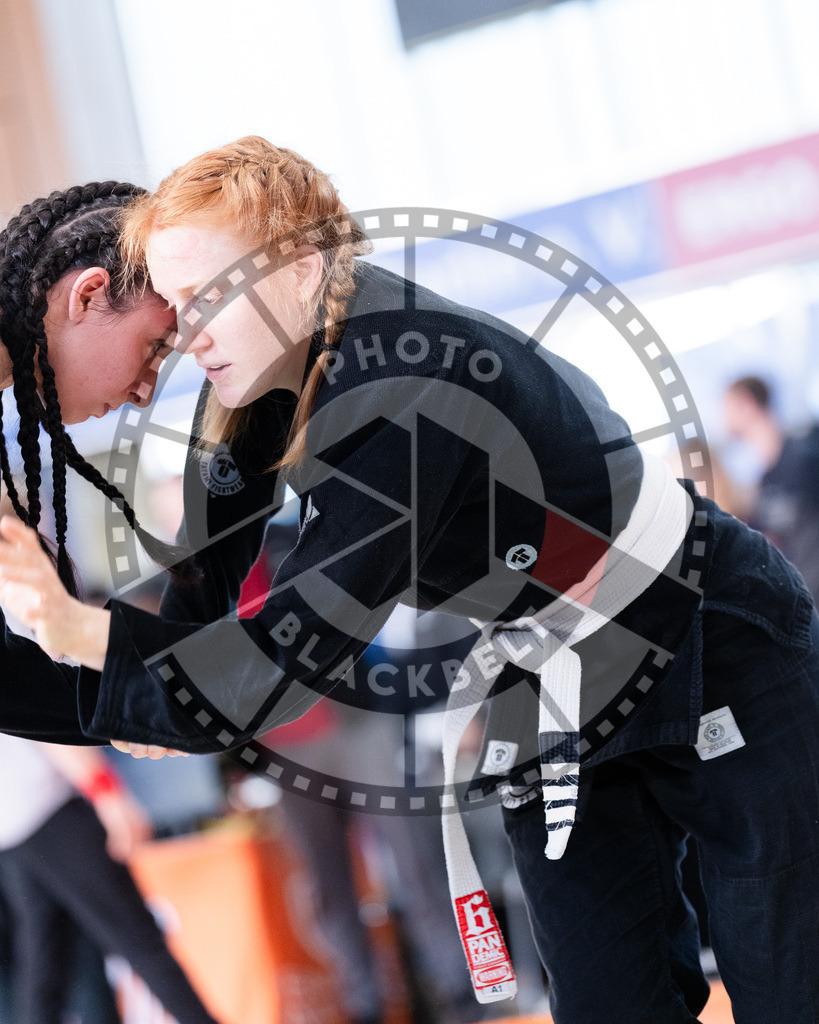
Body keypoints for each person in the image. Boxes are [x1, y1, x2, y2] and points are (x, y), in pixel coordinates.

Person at [0, 137, 816, 1024]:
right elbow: (198, 629)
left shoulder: (412, 386)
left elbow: (277, 662)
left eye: (205, 300)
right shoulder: (241, 380)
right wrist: (131, 688)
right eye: (177, 304)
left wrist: (86, 636)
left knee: (785, 982)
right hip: (546, 671)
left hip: (702, 628)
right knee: (607, 1002)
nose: (187, 336)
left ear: (302, 271)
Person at [0, 735, 221, 1024]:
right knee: (140, 942)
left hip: (13, 832)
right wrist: (108, 792)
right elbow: (49, 735)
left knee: (46, 965)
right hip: (51, 811)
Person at [724, 374, 819, 603]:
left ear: (747, 404)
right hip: (806, 603)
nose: (723, 419)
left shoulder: (807, 452)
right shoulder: (764, 485)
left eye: (726, 408)